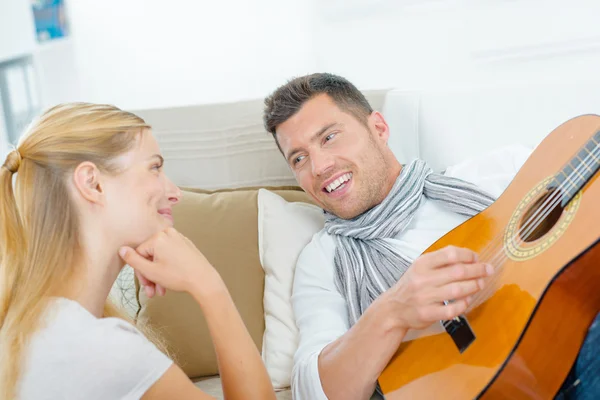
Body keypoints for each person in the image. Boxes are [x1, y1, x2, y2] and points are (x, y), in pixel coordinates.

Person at [262, 73, 600, 400]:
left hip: (573, 339)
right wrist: (392, 311)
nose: (318, 166)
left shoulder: (499, 174)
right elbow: (315, 393)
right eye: (299, 158)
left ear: (378, 128)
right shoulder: (322, 259)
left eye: (329, 137)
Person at [0, 103, 277, 400]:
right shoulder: (98, 347)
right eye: (155, 167)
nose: (175, 192)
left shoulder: (44, 324)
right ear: (93, 184)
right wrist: (209, 287)